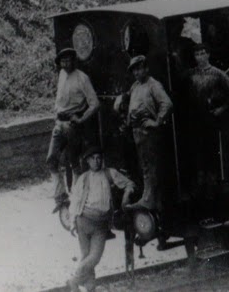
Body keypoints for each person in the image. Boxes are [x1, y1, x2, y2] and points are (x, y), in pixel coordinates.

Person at [65, 145, 132, 292]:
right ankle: (90, 288)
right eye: (93, 159)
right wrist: (72, 223)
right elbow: (74, 201)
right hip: (83, 221)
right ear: (88, 161)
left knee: (94, 257)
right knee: (86, 256)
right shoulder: (84, 178)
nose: (97, 161)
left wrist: (126, 196)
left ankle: (73, 281)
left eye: (99, 158)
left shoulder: (110, 173)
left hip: (101, 224)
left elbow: (129, 184)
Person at [117, 54, 172, 210]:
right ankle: (151, 200)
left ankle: (150, 200)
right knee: (143, 165)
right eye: (134, 70)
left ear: (146, 69)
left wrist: (157, 122)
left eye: (139, 69)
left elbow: (166, 104)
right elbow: (130, 102)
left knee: (150, 166)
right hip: (136, 131)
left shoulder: (153, 85)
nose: (137, 73)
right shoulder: (135, 86)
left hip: (148, 132)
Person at [47, 47, 99, 209]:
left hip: (72, 125)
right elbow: (58, 98)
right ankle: (61, 197)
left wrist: (81, 118)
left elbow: (95, 104)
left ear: (74, 61)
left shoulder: (82, 78)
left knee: (75, 163)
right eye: (63, 61)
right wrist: (56, 112)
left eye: (69, 60)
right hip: (59, 124)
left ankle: (78, 200)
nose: (66, 63)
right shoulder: (62, 75)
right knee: (51, 160)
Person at [184, 43, 229, 193]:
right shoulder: (190, 74)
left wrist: (221, 109)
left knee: (212, 153)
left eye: (202, 53)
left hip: (210, 120)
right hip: (195, 120)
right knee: (197, 153)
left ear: (208, 55)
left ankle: (213, 188)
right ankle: (200, 187)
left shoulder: (218, 74)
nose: (200, 57)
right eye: (197, 54)